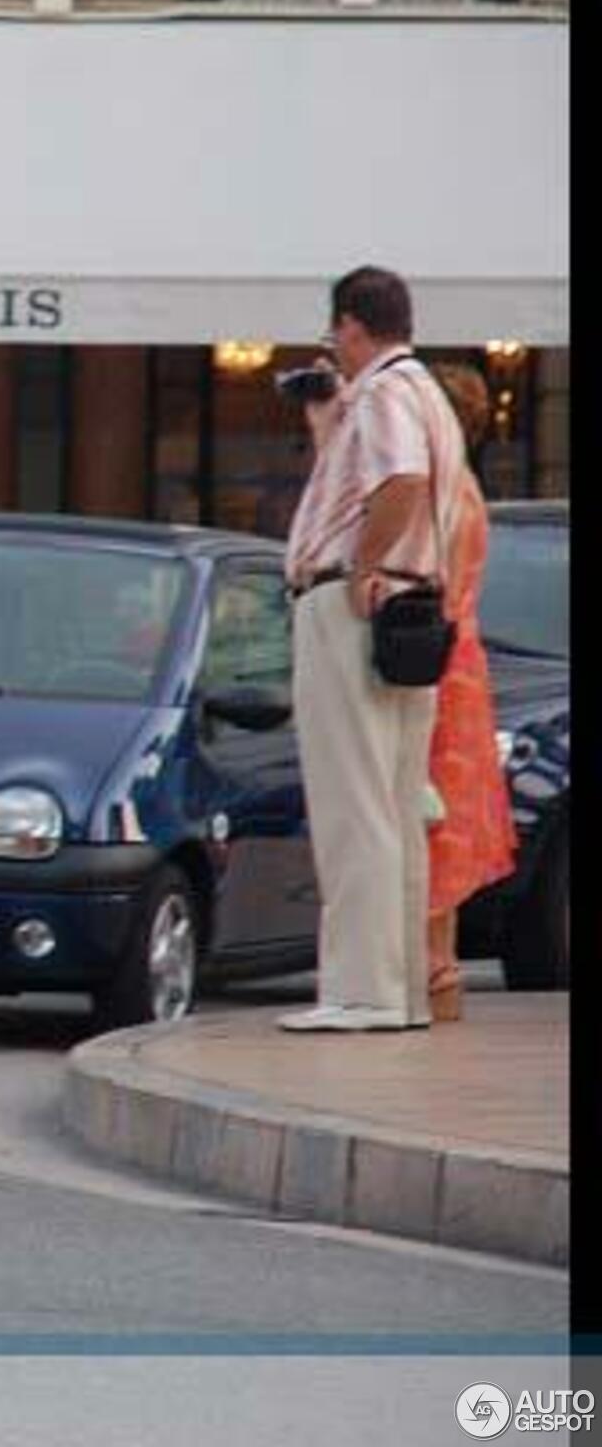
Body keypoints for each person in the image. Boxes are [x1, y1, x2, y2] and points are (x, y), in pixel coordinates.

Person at [277, 265, 465, 1033]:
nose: (336, 350)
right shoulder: (426, 392)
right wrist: (328, 424)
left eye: (337, 335)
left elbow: (400, 481)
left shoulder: (386, 392)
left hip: (358, 603)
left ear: (353, 325)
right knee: (393, 800)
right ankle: (401, 992)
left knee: (353, 803)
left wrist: (361, 567)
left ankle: (361, 992)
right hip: (413, 606)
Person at [422, 361, 518, 1023]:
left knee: (431, 820)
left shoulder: (448, 491)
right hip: (462, 665)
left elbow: (443, 593)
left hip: (442, 664)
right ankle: (437, 972)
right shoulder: (465, 487)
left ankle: (433, 974)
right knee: (441, 821)